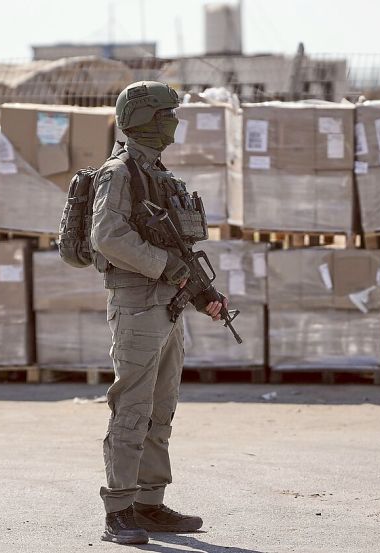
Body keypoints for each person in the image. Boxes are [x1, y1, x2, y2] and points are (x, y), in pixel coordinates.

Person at [90, 81, 227, 545]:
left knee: (160, 409)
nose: (174, 121)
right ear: (144, 118)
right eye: (167, 113)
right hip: (136, 306)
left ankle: (149, 503)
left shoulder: (158, 175)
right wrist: (165, 266)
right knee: (131, 407)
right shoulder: (120, 173)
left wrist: (203, 295)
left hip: (166, 309)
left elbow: (177, 249)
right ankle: (119, 510)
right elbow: (106, 236)